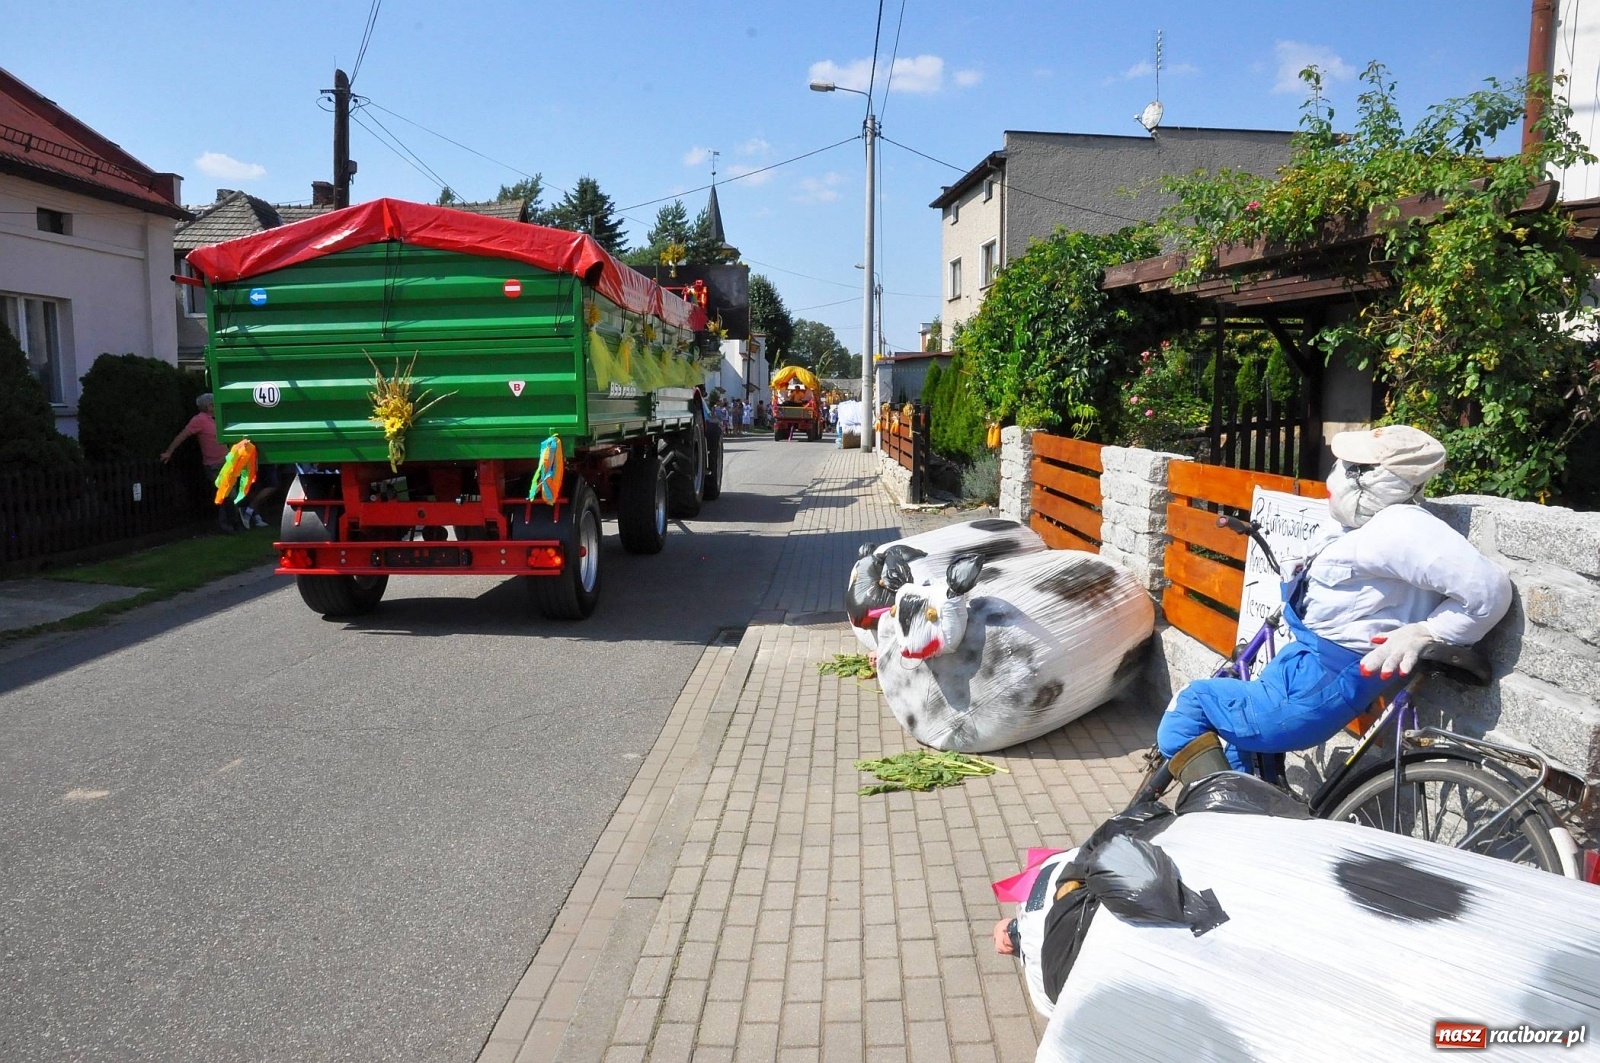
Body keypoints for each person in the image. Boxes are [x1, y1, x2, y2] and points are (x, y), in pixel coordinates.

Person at [1155, 425, 1513, 781]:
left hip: (1319, 686)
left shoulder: (1401, 527)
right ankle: (1246, 806)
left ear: (1373, 479)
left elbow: (1488, 591)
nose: (1334, 474)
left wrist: (1426, 631)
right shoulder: (1366, 521)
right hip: (1306, 677)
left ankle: (1219, 813)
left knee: (1191, 704)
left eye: (1348, 466)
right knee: (1239, 741)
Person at [161, 392, 236, 533]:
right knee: (228, 494)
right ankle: (228, 526)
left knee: (229, 495)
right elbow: (182, 436)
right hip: (213, 465)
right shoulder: (199, 420)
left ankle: (230, 525)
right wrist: (169, 452)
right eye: (214, 404)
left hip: (227, 463)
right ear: (209, 406)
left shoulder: (218, 418)